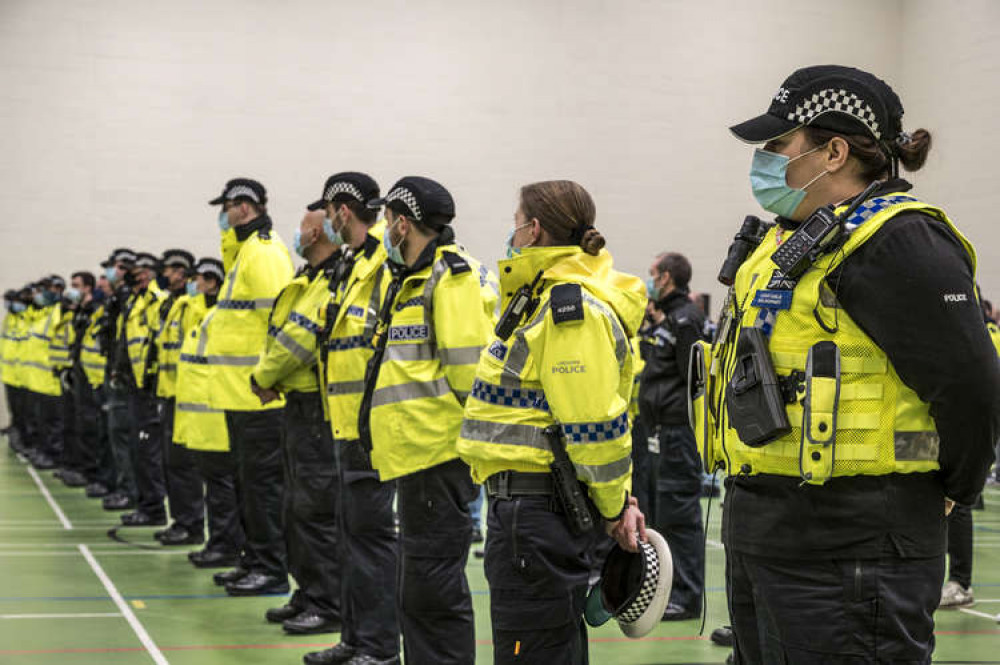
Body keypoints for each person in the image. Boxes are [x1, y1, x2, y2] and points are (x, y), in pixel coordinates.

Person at [703, 65, 1000, 663]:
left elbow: (972, 387)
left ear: (834, 152)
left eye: (778, 144)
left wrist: (955, 490)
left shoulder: (899, 242)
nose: (766, 159)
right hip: (770, 532)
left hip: (853, 550)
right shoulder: (792, 240)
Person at [456, 179, 648, 665]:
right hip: (525, 509)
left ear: (534, 229)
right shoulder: (538, 300)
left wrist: (613, 510)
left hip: (535, 512)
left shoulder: (570, 309)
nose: (511, 233)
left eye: (516, 222)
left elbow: (594, 426)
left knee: (533, 651)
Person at [355, 176, 496, 665]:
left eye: (386, 220)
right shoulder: (412, 278)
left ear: (401, 222)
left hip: (439, 455)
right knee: (418, 590)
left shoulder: (449, 276)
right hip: (416, 457)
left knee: (434, 592)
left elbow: (468, 375)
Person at [305, 172, 402, 665]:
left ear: (343, 210)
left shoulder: (386, 263)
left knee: (372, 545)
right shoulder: (350, 264)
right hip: (341, 425)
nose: (324, 220)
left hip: (369, 430)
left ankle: (380, 649)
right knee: (349, 541)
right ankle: (354, 639)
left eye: (328, 209)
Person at [250, 209, 345, 635]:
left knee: (315, 511)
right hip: (296, 404)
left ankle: (328, 603)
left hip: (316, 410)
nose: (299, 230)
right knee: (295, 509)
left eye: (306, 224)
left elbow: (299, 341)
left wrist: (264, 377)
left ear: (320, 231)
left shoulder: (332, 279)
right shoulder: (307, 277)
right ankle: (307, 591)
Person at [204, 178, 294, 596]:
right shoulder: (244, 253)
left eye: (225, 207)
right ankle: (253, 560)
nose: (221, 215)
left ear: (243, 207)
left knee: (262, 491)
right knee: (245, 487)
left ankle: (272, 570)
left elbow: (279, 323)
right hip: (239, 396)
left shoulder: (264, 253)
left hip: (260, 398)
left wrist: (269, 379)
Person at [638, 251, 706, 620]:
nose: (649, 280)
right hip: (660, 431)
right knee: (662, 511)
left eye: (652, 274)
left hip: (678, 432)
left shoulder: (686, 319)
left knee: (679, 514)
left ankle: (687, 594)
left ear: (666, 278)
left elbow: (692, 379)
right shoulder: (667, 319)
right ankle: (668, 588)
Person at [175, 257, 245, 569]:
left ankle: (225, 545)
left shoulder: (218, 318)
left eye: (200, 279)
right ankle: (218, 541)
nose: (195, 284)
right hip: (201, 422)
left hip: (215, 420)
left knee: (222, 490)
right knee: (215, 488)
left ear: (213, 282)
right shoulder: (200, 316)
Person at [152, 249, 206, 546]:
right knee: (172, 463)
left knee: (184, 465)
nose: (168, 275)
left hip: (187, 397)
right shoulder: (174, 305)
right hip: (169, 394)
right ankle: (181, 520)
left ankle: (192, 524)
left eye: (173, 270)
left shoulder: (193, 307)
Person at [116, 252, 168, 527]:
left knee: (148, 450)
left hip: (150, 387)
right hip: (136, 385)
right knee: (139, 448)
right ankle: (147, 504)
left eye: (139, 271)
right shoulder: (136, 301)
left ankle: (154, 509)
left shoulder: (156, 302)